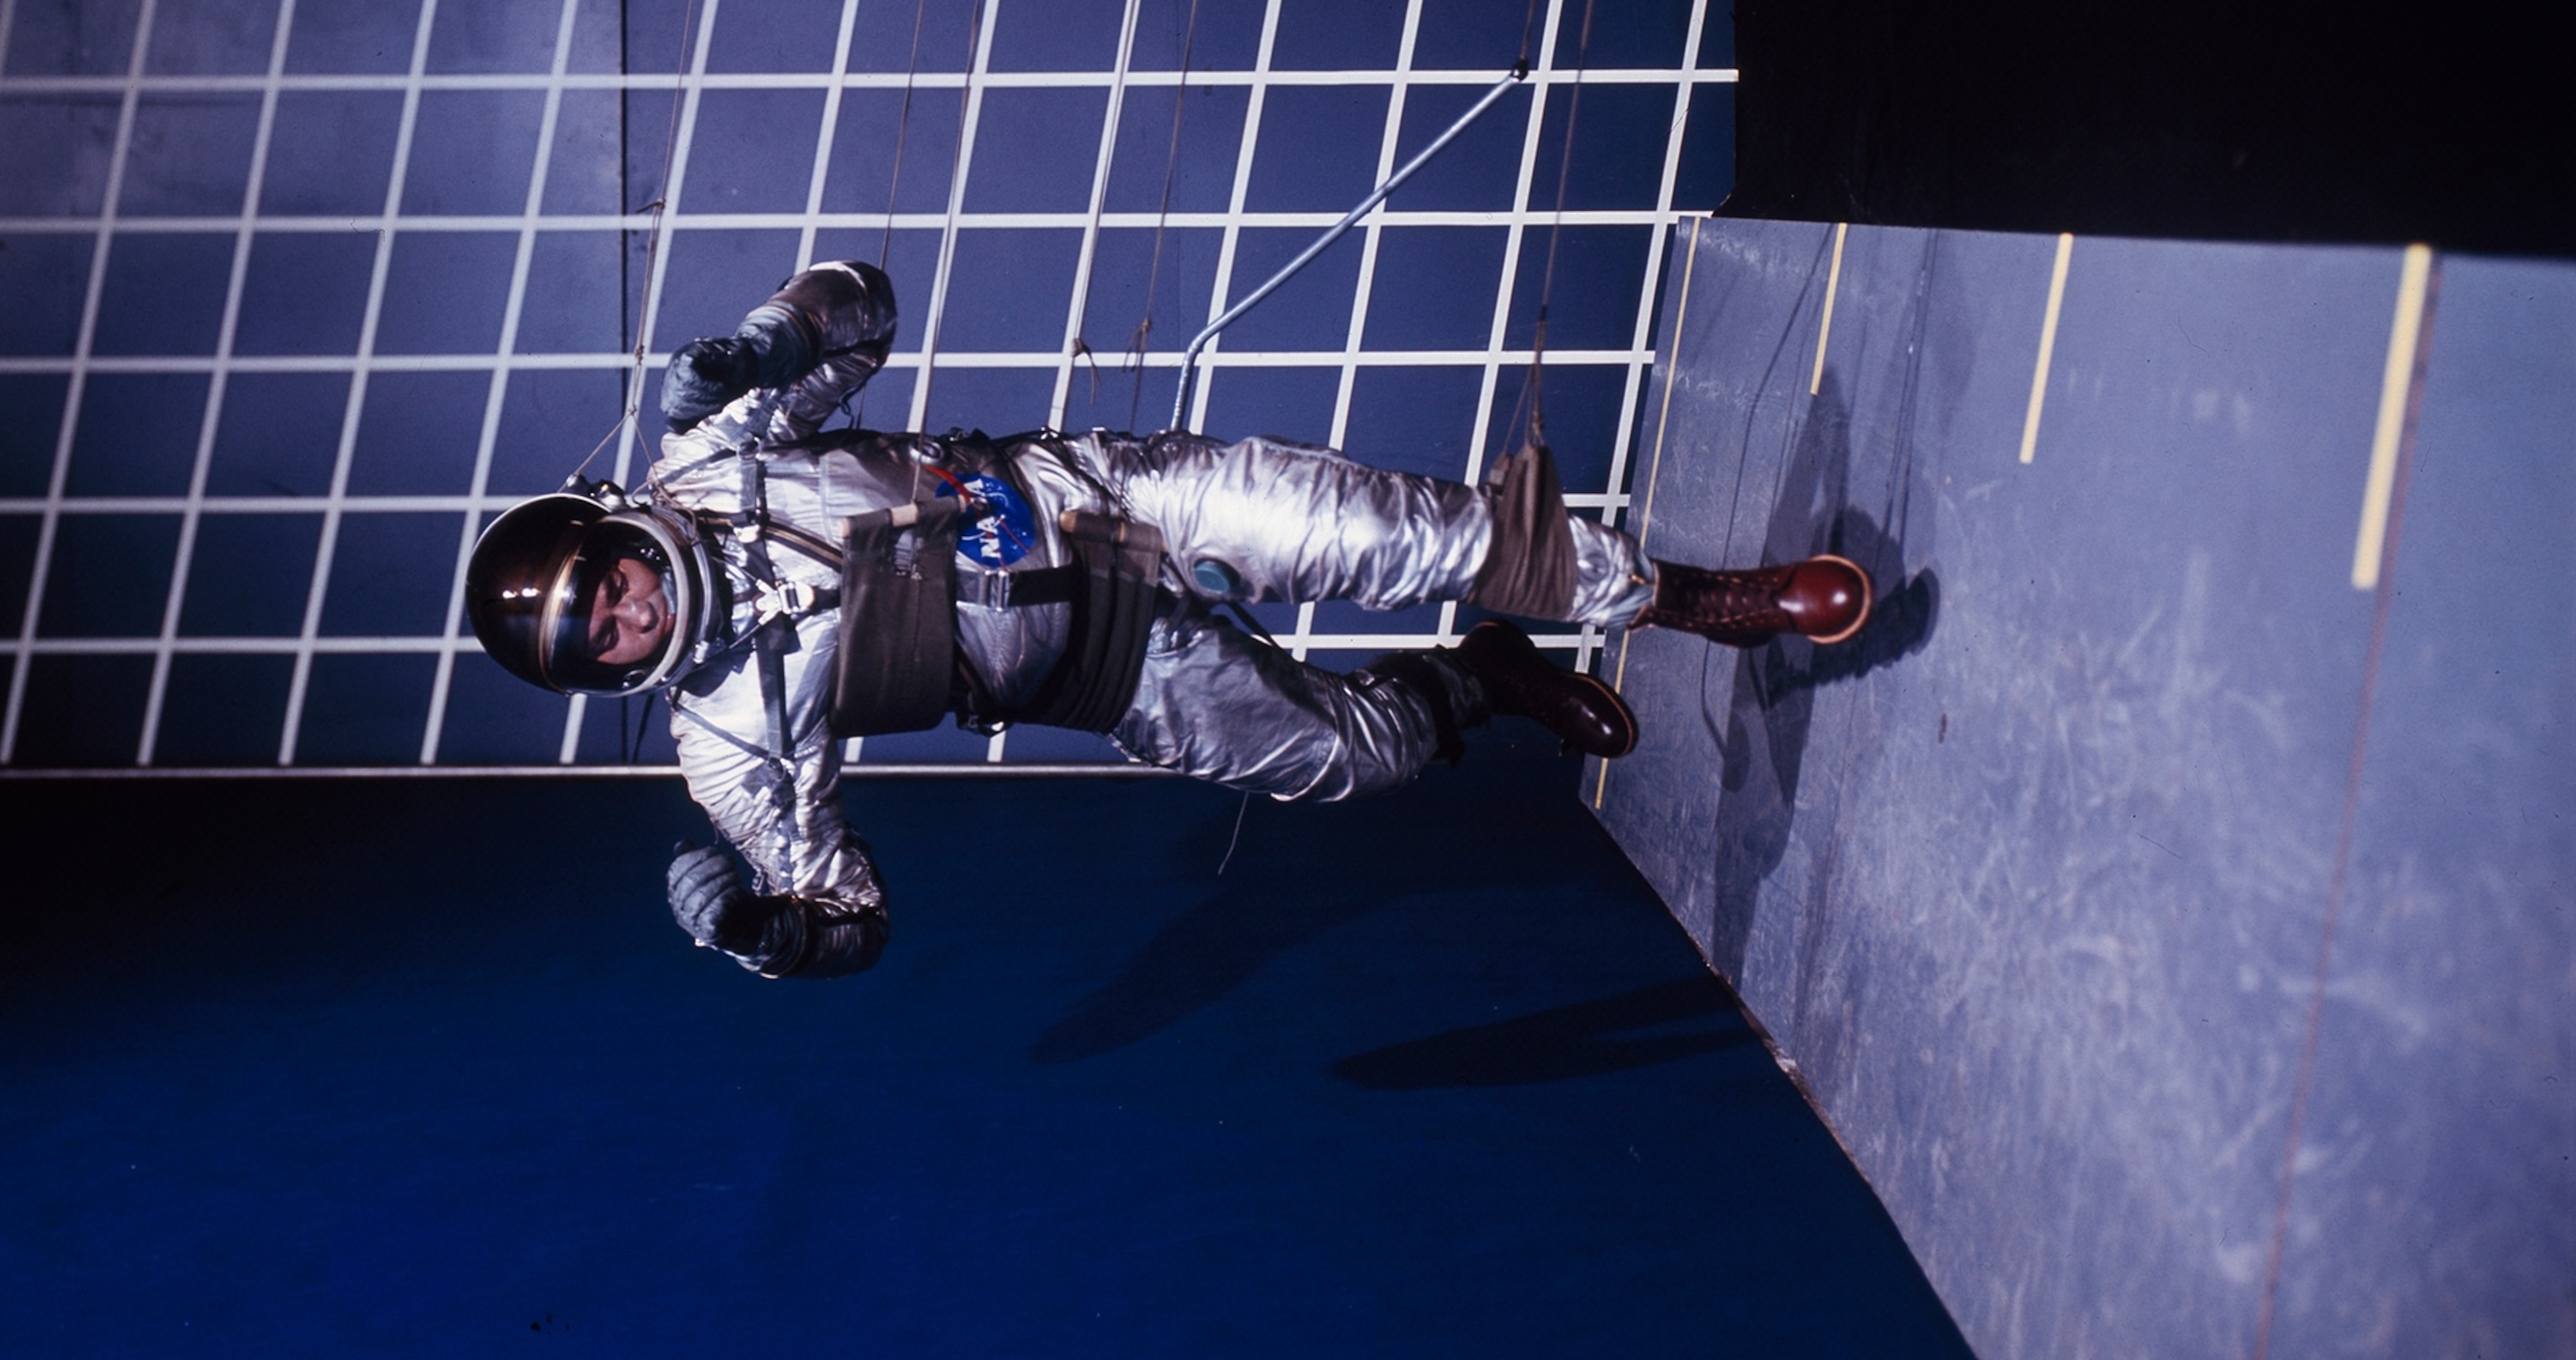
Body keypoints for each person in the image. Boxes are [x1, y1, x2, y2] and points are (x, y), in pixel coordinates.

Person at [464, 262, 1871, 982]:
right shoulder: (723, 747)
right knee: (1355, 759)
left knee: (1416, 533)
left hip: (1107, 495)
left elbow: (866, 307)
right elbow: (858, 913)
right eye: (601, 643)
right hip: (1105, 670)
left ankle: (1700, 600)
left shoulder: (712, 446)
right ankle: (1485, 680)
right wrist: (765, 932)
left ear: (608, 530)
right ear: (606, 675)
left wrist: (773, 333)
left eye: (607, 587)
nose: (629, 617)